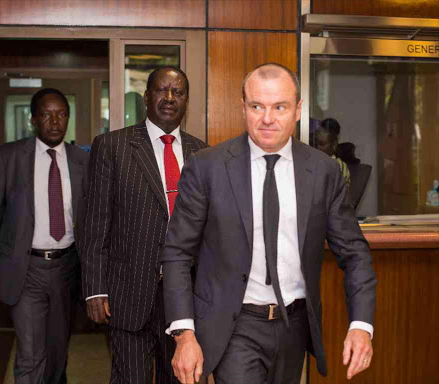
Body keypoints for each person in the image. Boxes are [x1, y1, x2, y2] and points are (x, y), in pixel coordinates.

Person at [161, 63, 377, 384]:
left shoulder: (323, 172)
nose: (267, 118)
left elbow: (355, 253)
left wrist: (361, 325)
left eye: (280, 107)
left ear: (298, 110)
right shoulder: (207, 167)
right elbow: (177, 252)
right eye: (257, 106)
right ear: (243, 107)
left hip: (295, 324)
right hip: (234, 324)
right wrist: (184, 332)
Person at [78, 67, 207, 384]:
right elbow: (94, 224)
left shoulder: (202, 153)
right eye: (161, 90)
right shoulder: (113, 146)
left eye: (177, 92)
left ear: (186, 100)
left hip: (184, 295)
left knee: (178, 377)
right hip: (128, 291)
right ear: (147, 97)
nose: (169, 97)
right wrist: (95, 288)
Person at [0, 88, 89, 384]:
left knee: (57, 350)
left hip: (68, 268)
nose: (55, 121)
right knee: (31, 353)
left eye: (61, 114)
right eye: (47, 114)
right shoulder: (10, 156)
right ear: (34, 119)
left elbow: (94, 218)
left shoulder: (82, 160)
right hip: (26, 270)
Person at [314, 118, 351, 188]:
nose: (318, 148)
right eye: (316, 143)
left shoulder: (339, 166)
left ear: (334, 144)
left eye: (322, 144)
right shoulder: (316, 161)